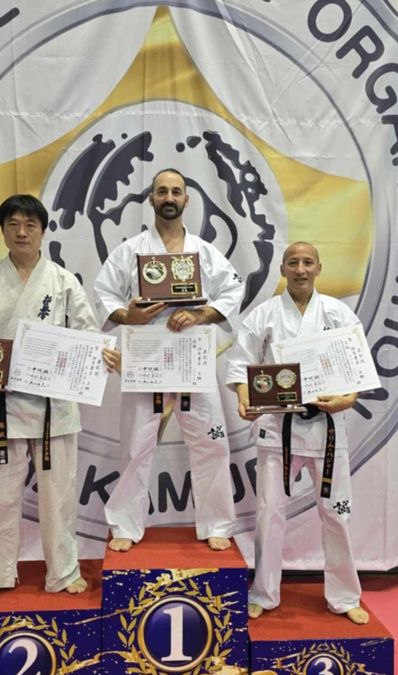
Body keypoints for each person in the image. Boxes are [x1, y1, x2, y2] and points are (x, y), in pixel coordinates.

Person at [0, 194, 110, 600]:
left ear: (43, 231)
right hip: (2, 405)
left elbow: (86, 334)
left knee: (60, 495)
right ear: (3, 231)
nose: (22, 231)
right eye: (13, 224)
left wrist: (102, 351)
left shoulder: (63, 282)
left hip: (54, 410)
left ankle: (63, 572)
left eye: (30, 224)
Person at [94, 168, 243, 552]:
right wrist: (130, 316)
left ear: (187, 199)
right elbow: (104, 292)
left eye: (177, 191)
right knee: (135, 445)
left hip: (192, 359)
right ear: (152, 199)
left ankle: (217, 523)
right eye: (162, 191)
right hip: (146, 362)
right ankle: (125, 524)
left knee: (211, 444)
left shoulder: (206, 253)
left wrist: (201, 315)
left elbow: (232, 291)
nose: (169, 197)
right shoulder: (130, 251)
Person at [226, 242, 370, 624]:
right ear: (282, 270)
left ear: (319, 268)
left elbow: (356, 369)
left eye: (308, 262)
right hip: (278, 429)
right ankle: (263, 591)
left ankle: (344, 596)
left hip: (327, 431)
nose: (301, 269)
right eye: (293, 262)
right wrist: (245, 400)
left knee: (336, 514)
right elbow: (241, 366)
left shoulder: (339, 313)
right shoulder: (265, 316)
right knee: (269, 513)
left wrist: (348, 399)